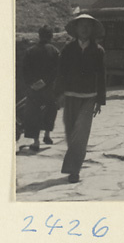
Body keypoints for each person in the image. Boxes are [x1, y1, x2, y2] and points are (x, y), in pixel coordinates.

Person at [55, 14, 106, 184]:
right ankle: (73, 166)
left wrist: (100, 99)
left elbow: (101, 76)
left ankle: (74, 170)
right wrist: (60, 93)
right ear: (76, 29)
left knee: (81, 134)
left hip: (89, 97)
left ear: (92, 30)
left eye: (88, 26)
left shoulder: (98, 50)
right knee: (71, 133)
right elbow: (60, 73)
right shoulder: (68, 49)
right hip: (70, 96)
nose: (84, 29)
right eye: (81, 25)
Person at [22, 25, 60, 151]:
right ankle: (47, 135)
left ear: (39, 35)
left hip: (33, 88)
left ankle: (36, 142)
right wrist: (46, 82)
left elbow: (24, 70)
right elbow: (57, 70)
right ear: (51, 36)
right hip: (48, 87)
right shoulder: (54, 51)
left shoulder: (30, 51)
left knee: (33, 113)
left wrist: (32, 83)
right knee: (51, 109)